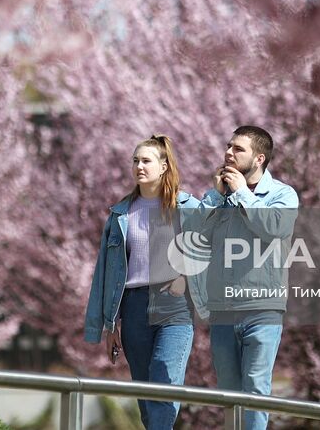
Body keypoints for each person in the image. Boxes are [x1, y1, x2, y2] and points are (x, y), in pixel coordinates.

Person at [83, 135, 200, 430]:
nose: (139, 166)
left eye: (146, 160)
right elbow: (105, 273)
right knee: (145, 392)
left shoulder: (187, 207)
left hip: (173, 305)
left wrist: (185, 277)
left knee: (164, 377)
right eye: (135, 160)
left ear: (163, 166)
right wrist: (109, 324)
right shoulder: (120, 214)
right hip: (133, 307)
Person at [187, 125, 299, 430]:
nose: (228, 153)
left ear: (259, 158)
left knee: (256, 388)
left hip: (263, 308)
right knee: (229, 395)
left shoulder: (282, 195)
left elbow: (274, 228)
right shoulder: (217, 197)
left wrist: (241, 195)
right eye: (228, 146)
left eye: (238, 149)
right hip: (222, 311)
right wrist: (215, 197)